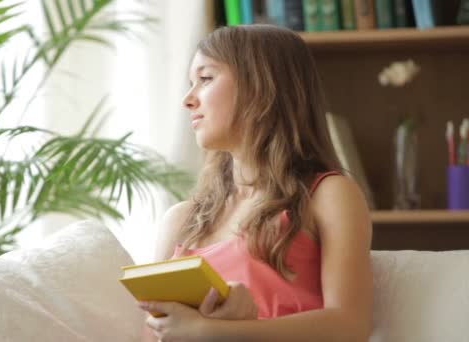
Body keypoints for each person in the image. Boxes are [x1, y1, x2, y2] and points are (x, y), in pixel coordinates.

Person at [138, 24, 373, 342]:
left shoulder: (328, 196)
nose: (188, 100)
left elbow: (350, 326)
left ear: (261, 87)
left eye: (205, 79)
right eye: (190, 83)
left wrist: (215, 331)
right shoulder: (180, 220)